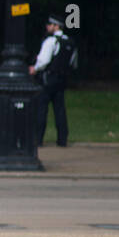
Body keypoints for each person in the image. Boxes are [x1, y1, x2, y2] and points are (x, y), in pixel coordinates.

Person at [30, 13, 72, 147]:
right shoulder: (69, 42)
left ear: (56, 26)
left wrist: (35, 69)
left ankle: (38, 138)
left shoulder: (51, 41)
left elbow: (43, 60)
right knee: (60, 109)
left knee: (41, 108)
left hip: (48, 79)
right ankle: (62, 139)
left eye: (50, 24)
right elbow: (72, 62)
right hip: (61, 80)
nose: (47, 27)